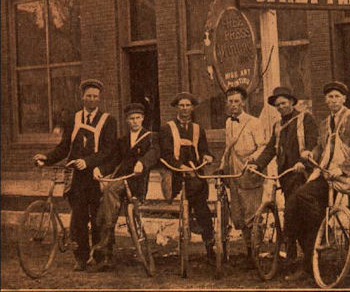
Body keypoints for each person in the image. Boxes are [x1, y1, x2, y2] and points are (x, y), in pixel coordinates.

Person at [286, 81, 350, 280]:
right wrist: (309, 154)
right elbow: (321, 148)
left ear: (344, 99)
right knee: (296, 201)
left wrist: (341, 169)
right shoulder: (325, 123)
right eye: (330, 97)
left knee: (304, 198)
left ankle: (320, 234)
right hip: (325, 174)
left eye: (337, 97)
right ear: (325, 100)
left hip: (346, 176)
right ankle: (310, 241)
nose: (333, 101)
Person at [33, 79, 117, 271]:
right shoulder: (74, 118)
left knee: (98, 217)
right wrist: (46, 158)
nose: (92, 100)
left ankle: (99, 256)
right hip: (76, 178)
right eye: (88, 96)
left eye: (95, 97)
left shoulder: (108, 120)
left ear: (100, 98)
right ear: (82, 97)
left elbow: (109, 150)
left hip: (96, 176)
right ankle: (80, 257)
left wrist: (88, 162)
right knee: (78, 217)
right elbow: (64, 147)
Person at [249, 86, 319, 270]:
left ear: (292, 102)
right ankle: (294, 256)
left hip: (304, 174)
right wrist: (257, 164)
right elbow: (271, 148)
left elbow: (314, 143)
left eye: (284, 103)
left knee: (296, 215)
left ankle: (306, 259)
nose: (281, 107)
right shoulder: (278, 125)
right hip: (286, 176)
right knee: (291, 214)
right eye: (278, 105)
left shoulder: (306, 118)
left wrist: (306, 161)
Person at [91, 103, 160, 271]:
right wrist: (100, 169)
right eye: (131, 118)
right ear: (127, 120)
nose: (135, 121)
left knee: (109, 191)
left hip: (137, 181)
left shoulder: (151, 137)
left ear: (143, 119)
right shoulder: (122, 140)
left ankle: (104, 246)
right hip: (121, 179)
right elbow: (114, 160)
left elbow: (154, 153)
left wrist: (142, 163)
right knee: (102, 206)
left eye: (138, 118)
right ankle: (106, 254)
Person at [159, 92, 215, 264]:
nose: (184, 109)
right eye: (181, 105)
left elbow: (204, 149)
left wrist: (207, 157)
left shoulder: (198, 129)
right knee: (196, 196)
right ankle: (191, 218)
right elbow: (166, 154)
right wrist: (180, 167)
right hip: (176, 174)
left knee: (202, 208)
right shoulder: (167, 128)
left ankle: (210, 247)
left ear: (192, 108)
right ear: (177, 108)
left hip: (196, 173)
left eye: (188, 105)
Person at [218, 86, 266, 268]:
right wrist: (222, 165)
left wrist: (253, 160)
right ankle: (248, 251)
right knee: (238, 216)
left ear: (244, 102)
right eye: (230, 101)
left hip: (250, 175)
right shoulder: (228, 123)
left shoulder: (254, 122)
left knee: (253, 216)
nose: (233, 105)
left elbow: (263, 146)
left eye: (236, 101)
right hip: (234, 176)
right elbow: (228, 148)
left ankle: (256, 255)